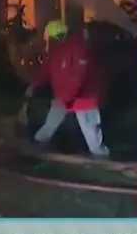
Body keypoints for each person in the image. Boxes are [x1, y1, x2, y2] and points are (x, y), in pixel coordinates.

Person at [19, 19, 110, 157]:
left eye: (49, 38)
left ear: (56, 37)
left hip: (83, 99)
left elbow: (79, 75)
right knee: (51, 124)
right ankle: (36, 147)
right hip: (64, 97)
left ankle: (102, 159)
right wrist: (33, 86)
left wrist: (67, 97)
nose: (47, 42)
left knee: (91, 132)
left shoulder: (77, 49)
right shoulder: (58, 52)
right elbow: (45, 71)